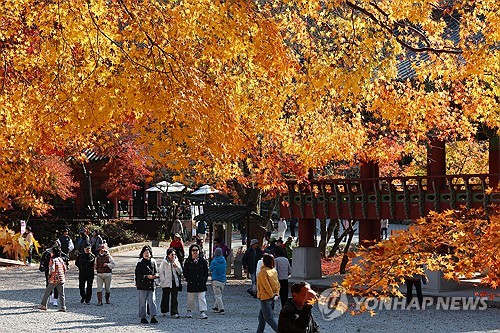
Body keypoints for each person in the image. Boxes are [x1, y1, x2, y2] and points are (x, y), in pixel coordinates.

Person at [183, 244, 209, 319]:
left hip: (201, 282)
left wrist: (204, 280)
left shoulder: (203, 261)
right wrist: (188, 279)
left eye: (196, 250)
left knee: (202, 297)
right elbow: (185, 271)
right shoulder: (188, 261)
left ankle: (203, 312)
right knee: (191, 298)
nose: (195, 252)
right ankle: (189, 311)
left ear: (199, 251)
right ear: (190, 252)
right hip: (191, 282)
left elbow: (206, 272)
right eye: (193, 250)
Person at [256, 254, 280, 333]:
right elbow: (277, 284)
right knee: (261, 318)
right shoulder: (273, 271)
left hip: (265, 296)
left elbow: (266, 285)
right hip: (272, 296)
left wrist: (271, 294)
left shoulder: (263, 272)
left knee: (269, 318)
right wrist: (276, 293)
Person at [39, 247, 67, 312]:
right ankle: (63, 307)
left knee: (47, 291)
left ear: (53, 253)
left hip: (54, 278)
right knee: (61, 293)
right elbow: (65, 268)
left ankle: (43, 305)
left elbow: (52, 269)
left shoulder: (52, 260)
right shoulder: (60, 259)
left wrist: (49, 275)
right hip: (61, 278)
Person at [135, 246, 159, 324]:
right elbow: (137, 274)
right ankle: (143, 317)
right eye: (145, 253)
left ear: (150, 254)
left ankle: (153, 316)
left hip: (151, 284)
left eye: (148, 253)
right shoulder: (140, 263)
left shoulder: (153, 261)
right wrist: (146, 277)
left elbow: (156, 271)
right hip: (142, 284)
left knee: (152, 301)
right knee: (142, 302)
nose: (146, 254)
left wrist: (155, 276)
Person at [158, 248, 182, 318]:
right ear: (168, 255)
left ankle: (174, 312)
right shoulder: (164, 262)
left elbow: (180, 271)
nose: (173, 256)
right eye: (172, 254)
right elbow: (161, 272)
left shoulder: (176, 261)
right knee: (165, 297)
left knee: (174, 298)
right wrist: (163, 280)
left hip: (174, 282)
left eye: (174, 254)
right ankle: (164, 311)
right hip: (166, 282)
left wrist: (176, 267)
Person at [209, 247, 227, 315]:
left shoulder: (214, 261)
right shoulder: (224, 261)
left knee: (218, 295)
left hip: (216, 280)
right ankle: (215, 307)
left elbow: (210, 269)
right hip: (223, 280)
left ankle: (221, 309)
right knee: (219, 294)